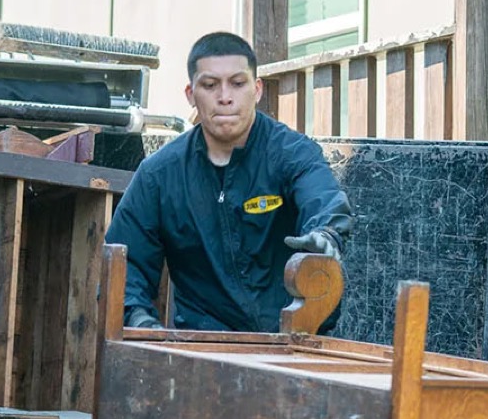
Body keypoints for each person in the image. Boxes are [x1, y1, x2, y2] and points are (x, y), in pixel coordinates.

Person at [106, 31, 352, 331]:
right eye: (210, 85)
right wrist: (140, 322)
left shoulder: (292, 153)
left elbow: (323, 198)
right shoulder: (159, 175)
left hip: (293, 343)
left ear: (257, 89)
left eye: (238, 83)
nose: (225, 97)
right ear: (190, 93)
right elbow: (123, 263)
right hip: (202, 349)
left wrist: (327, 234)